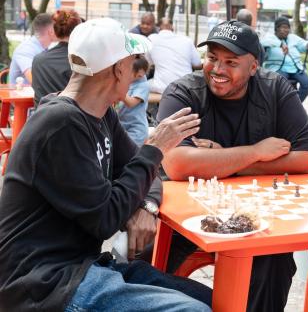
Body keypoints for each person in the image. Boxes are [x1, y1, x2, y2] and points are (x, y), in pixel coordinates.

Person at [0, 18, 212, 312]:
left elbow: (144, 174)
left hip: (85, 269)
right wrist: (155, 148)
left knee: (218, 300)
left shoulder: (100, 114)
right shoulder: (60, 124)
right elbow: (108, 218)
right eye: (132, 61)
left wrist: (146, 206)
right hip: (45, 285)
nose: (138, 72)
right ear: (118, 69)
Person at [156, 20, 308, 312]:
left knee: (275, 258)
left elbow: (306, 160)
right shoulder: (183, 92)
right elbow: (178, 163)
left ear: (253, 67)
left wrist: (221, 161)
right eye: (212, 58)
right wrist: (257, 152)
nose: (217, 69)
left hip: (258, 215)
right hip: (187, 216)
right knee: (148, 266)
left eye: (231, 62)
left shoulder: (275, 88)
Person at [32, 9, 82, 106]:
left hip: (42, 117)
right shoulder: (81, 61)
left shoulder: (38, 60)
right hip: (74, 118)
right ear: (79, 30)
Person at [261, 16, 308, 101]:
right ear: (277, 28)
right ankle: (283, 105)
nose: (286, 30)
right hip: (278, 69)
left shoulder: (292, 37)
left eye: (288, 28)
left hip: (295, 68)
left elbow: (303, 44)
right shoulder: (269, 37)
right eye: (284, 27)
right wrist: (280, 44)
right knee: (283, 84)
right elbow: (262, 42)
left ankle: (297, 104)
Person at [147, 17, 201, 94]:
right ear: (172, 27)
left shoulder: (151, 39)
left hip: (162, 88)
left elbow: (148, 63)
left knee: (142, 84)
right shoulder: (186, 40)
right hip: (186, 86)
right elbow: (198, 64)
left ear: (158, 27)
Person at [9, 13, 57, 85]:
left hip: (38, 94)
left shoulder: (45, 47)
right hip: (23, 95)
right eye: (57, 28)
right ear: (51, 32)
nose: (61, 30)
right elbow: (35, 80)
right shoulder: (25, 49)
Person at [118, 56, 150, 145]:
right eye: (134, 74)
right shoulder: (127, 80)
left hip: (136, 129)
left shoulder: (143, 85)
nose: (136, 77)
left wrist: (119, 90)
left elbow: (131, 103)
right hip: (122, 125)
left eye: (140, 76)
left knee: (129, 154)